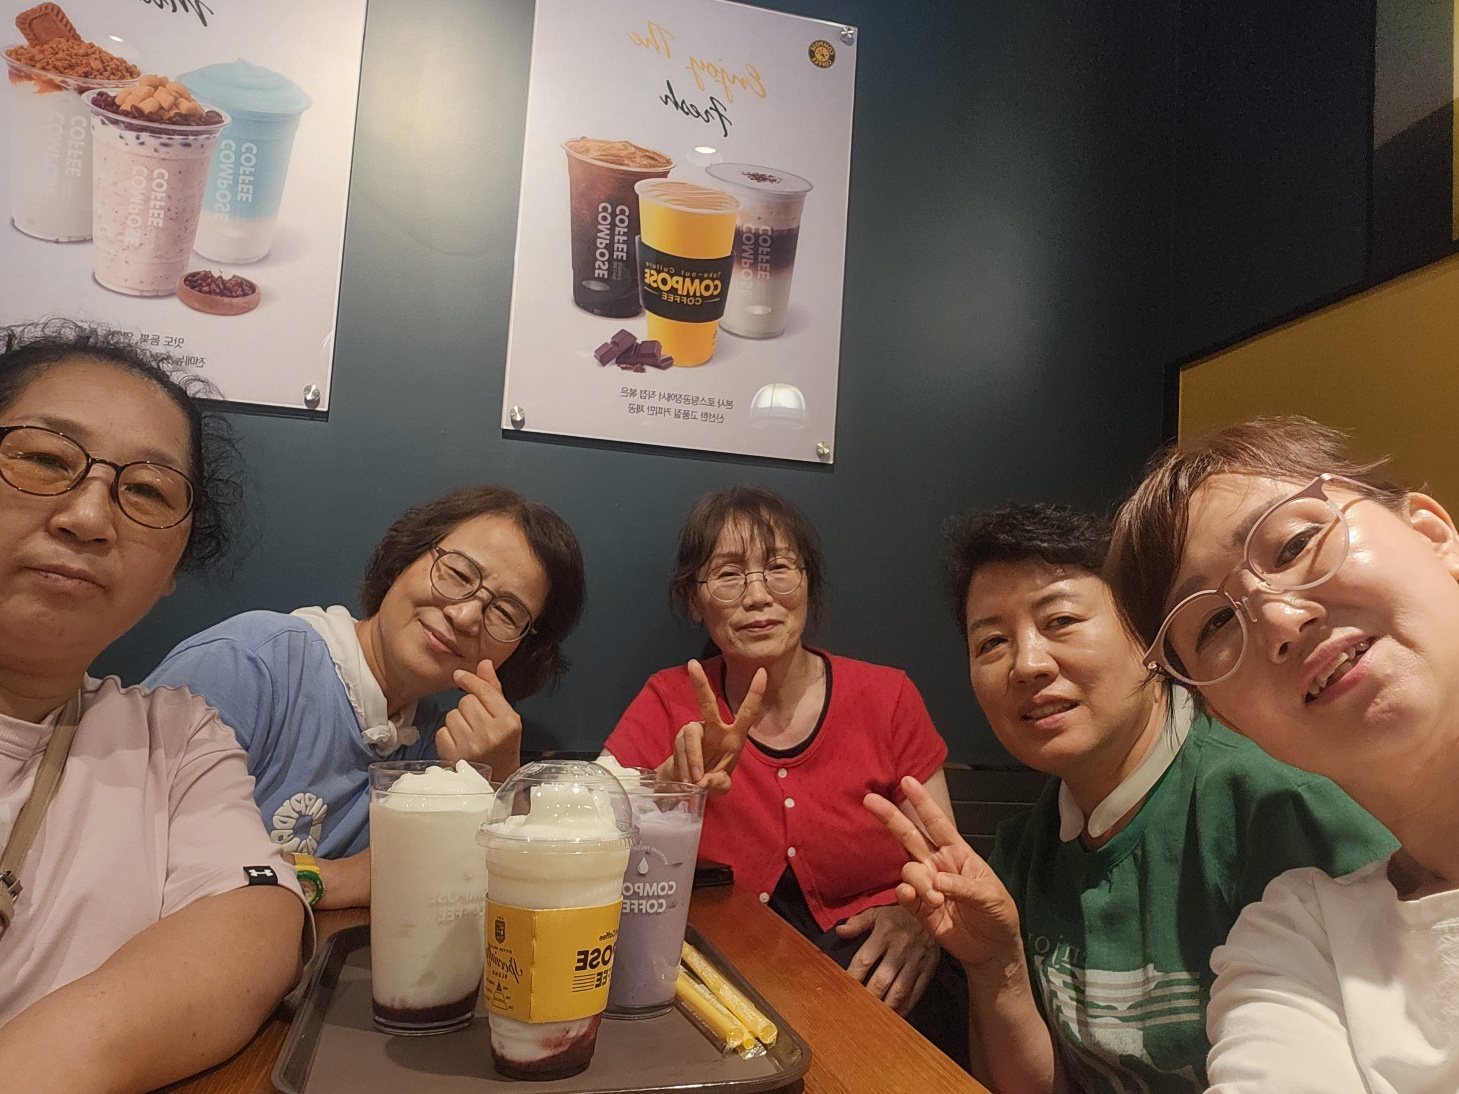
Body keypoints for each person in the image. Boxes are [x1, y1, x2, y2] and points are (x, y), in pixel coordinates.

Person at [865, 502, 1394, 1094]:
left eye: (1060, 620)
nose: (1027, 664)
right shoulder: (1025, 851)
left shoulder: (1280, 806)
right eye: (991, 642)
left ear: (1147, 633)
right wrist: (997, 966)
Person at [1105, 416, 1459, 1092]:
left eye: (1295, 543)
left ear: (1431, 533)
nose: (1279, 619)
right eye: (1214, 623)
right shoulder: (1302, 946)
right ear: (1226, 719)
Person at [0, 320, 309, 1093]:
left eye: (145, 492)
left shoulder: (173, 734)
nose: (88, 518)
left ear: (174, 566)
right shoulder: (260, 655)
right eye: (43, 458)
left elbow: (260, 915)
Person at [600, 485, 970, 1066]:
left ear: (808, 583)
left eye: (778, 568)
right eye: (728, 574)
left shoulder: (888, 697)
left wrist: (918, 918)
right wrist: (667, 784)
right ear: (695, 599)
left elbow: (947, 860)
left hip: (885, 972)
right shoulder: (671, 699)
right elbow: (588, 817)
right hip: (725, 980)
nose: (757, 596)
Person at [145, 484, 585, 909]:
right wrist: (355, 878)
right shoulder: (247, 665)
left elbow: (506, 898)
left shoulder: (440, 749)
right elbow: (142, 859)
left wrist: (499, 781)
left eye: (506, 612)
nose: (466, 614)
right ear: (405, 559)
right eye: (457, 574)